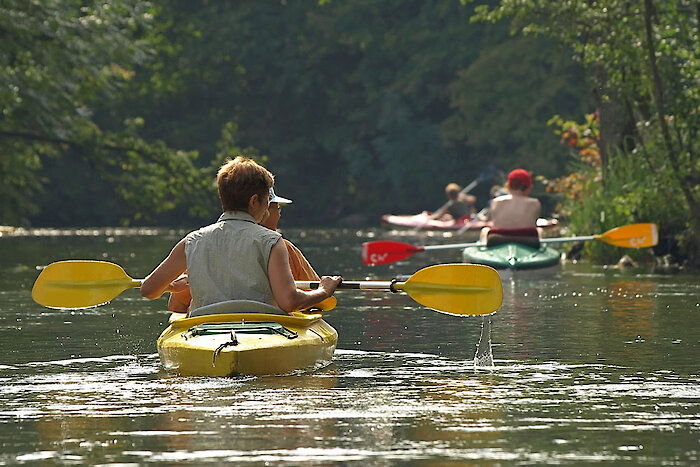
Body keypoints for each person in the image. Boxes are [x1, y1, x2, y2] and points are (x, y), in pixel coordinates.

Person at [140, 156, 341, 314]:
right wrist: (324, 290)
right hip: (261, 328)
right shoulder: (272, 242)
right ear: (254, 201)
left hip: (204, 330)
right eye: (266, 202)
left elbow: (148, 290)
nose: (267, 210)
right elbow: (289, 302)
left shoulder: (191, 241)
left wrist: (170, 287)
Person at [167, 186, 322, 313]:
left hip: (208, 327)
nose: (279, 214)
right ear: (261, 207)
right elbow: (323, 302)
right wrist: (324, 291)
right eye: (277, 208)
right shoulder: (282, 248)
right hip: (268, 326)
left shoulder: (203, 245)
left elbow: (177, 305)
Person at [479, 169, 541, 243]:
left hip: (498, 239)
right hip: (527, 240)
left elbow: (488, 219)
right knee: (540, 230)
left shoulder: (496, 202)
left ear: (508, 186)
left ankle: (484, 248)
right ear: (528, 188)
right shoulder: (535, 203)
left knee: (485, 230)